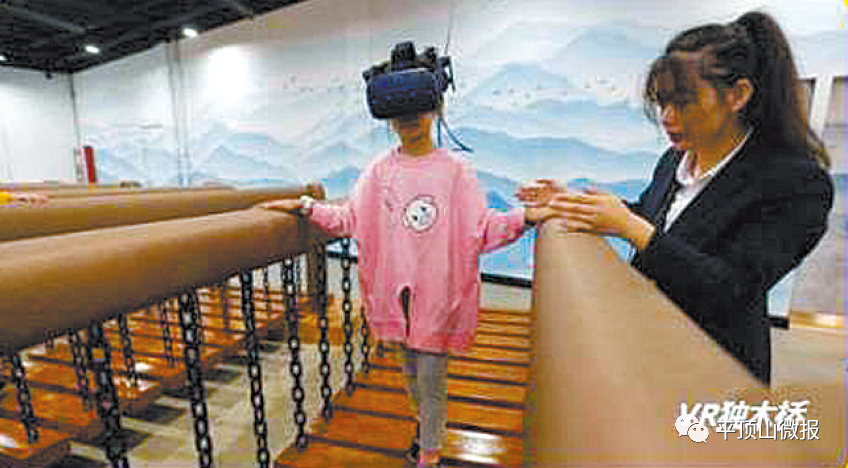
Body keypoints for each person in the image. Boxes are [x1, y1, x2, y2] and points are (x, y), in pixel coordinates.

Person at [260, 44, 550, 467]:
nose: (409, 119)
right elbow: (350, 219)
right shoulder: (379, 171)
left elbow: (481, 228)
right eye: (400, 113)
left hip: (437, 296)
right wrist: (305, 206)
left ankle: (429, 453)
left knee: (431, 379)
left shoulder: (455, 171)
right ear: (388, 117)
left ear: (435, 106)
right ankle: (424, 428)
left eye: (417, 109)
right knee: (411, 374)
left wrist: (525, 218)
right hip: (395, 297)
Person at [519, 11, 833, 386]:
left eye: (683, 103)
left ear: (737, 95)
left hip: (713, 373)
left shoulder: (797, 183)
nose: (667, 118)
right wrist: (575, 205)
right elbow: (658, 220)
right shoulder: (675, 159)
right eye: (662, 102)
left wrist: (630, 227)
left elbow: (730, 287)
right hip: (645, 349)